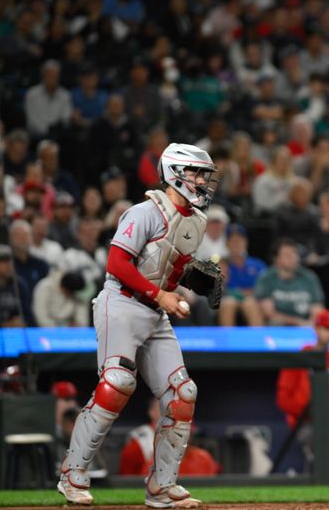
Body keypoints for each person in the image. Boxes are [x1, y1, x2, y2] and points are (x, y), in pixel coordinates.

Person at [57, 143, 219, 508]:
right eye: (197, 174)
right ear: (176, 174)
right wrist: (160, 296)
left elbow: (170, 268)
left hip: (153, 310)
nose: (203, 182)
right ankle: (73, 474)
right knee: (117, 383)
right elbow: (116, 263)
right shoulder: (144, 211)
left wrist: (192, 280)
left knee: (183, 393)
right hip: (121, 303)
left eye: (204, 175)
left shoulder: (196, 220)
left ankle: (161, 487)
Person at [276, 309, 329, 485]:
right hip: (304, 424)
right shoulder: (300, 356)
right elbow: (283, 397)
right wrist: (307, 413)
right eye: (325, 329)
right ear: (316, 329)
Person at [119, 397, 220, 477]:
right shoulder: (139, 444)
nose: (171, 413)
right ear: (151, 412)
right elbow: (128, 482)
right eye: (165, 408)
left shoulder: (202, 458)